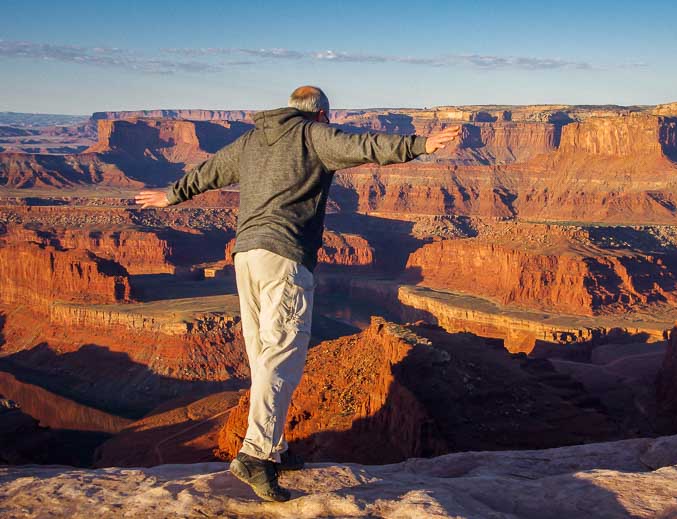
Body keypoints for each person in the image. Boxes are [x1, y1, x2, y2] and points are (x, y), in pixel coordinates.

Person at [136, 86, 460, 501]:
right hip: (283, 256)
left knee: (262, 355)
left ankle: (276, 445)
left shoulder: (253, 139)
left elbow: (211, 170)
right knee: (283, 352)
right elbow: (364, 145)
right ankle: (257, 455)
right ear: (321, 114)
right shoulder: (313, 135)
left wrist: (171, 195)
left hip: (246, 255)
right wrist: (420, 145)